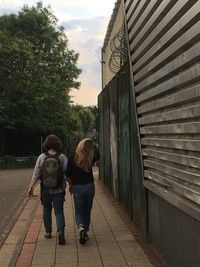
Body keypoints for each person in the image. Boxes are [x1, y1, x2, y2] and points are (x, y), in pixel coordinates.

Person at [28, 134, 68, 245]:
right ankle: (60, 231)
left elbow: (36, 174)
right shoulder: (62, 157)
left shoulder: (41, 157)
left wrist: (31, 187)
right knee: (59, 211)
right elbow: (66, 173)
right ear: (57, 144)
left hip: (45, 189)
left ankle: (48, 232)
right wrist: (71, 186)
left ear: (46, 145)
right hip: (59, 189)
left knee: (46, 209)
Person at [65, 138, 100, 245]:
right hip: (89, 186)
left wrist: (71, 185)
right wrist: (93, 146)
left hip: (77, 187)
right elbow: (98, 155)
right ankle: (86, 230)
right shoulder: (91, 158)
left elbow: (67, 174)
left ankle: (81, 229)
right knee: (87, 209)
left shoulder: (72, 158)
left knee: (79, 210)